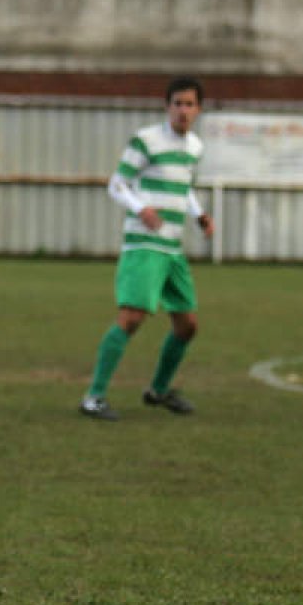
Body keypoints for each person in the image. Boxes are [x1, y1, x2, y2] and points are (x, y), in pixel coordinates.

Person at [79, 76, 215, 421]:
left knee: (188, 326)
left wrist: (200, 216)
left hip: (172, 247)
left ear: (199, 109)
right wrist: (141, 207)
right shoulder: (146, 140)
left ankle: (158, 390)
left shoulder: (195, 147)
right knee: (132, 317)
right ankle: (93, 397)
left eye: (189, 104)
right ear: (167, 106)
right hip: (144, 244)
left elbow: (183, 189)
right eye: (177, 104)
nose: (183, 111)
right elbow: (117, 184)